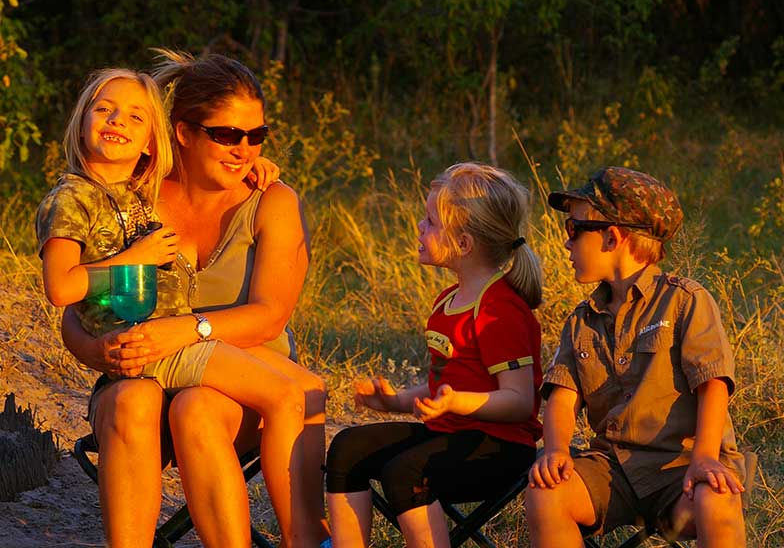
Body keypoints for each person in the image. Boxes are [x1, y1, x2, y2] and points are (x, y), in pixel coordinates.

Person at [59, 53, 329, 548]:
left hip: (242, 384)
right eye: (227, 135)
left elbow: (270, 317)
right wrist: (95, 352)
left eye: (256, 136)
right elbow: (77, 306)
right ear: (183, 132)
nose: (243, 149)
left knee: (197, 408)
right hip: (142, 373)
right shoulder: (133, 195)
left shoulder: (272, 201)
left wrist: (185, 329)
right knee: (129, 398)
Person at [524, 167, 747, 548]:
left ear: (612, 237)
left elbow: (713, 385)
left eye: (574, 229)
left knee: (717, 499)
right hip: (613, 469)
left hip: (682, 465)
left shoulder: (685, 301)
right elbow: (562, 396)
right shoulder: (581, 320)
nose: (567, 243)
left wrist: (706, 457)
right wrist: (558, 450)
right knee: (546, 493)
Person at [325, 162, 543, 548]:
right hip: (451, 432)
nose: (419, 229)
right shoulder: (448, 301)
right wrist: (396, 401)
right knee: (347, 447)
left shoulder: (499, 310)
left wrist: (457, 403)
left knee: (406, 471)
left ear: (463, 244)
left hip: (499, 447)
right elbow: (442, 385)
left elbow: (520, 402)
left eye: (430, 222)